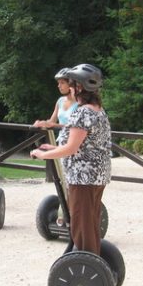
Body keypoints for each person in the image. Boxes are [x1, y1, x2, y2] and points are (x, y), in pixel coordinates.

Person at [30, 63, 111, 255]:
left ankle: (87, 265)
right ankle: (94, 260)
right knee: (90, 222)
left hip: (83, 178)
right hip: (96, 176)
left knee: (82, 225)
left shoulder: (83, 112)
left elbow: (71, 148)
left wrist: (43, 154)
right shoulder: (98, 109)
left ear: (79, 87)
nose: (70, 89)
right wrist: (53, 148)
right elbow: (83, 144)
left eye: (72, 85)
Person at [33, 67, 79, 226]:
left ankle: (72, 214)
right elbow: (53, 121)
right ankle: (66, 212)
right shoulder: (60, 101)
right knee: (62, 178)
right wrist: (43, 123)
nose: (59, 86)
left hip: (74, 143)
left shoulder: (80, 103)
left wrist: (55, 125)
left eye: (62, 83)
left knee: (71, 179)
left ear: (71, 84)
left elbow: (73, 125)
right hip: (61, 143)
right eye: (58, 83)